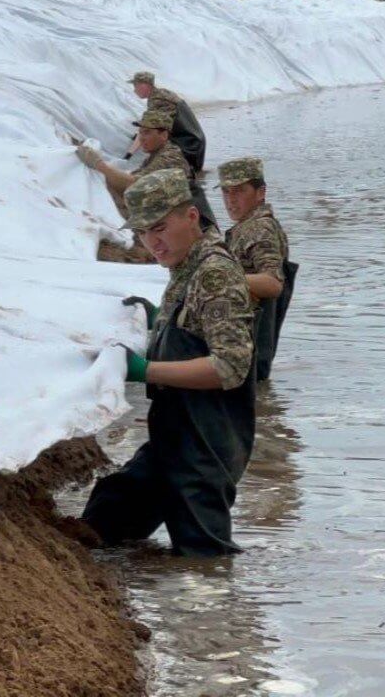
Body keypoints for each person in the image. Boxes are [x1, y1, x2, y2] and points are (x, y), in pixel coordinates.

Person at [83, 169, 256, 557]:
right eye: (143, 232)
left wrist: (145, 370)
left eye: (160, 227)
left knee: (204, 563)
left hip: (205, 445)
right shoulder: (185, 266)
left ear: (191, 216)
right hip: (175, 436)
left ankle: (218, 618)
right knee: (107, 516)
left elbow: (230, 367)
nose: (152, 242)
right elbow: (195, 327)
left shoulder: (214, 274)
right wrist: (157, 319)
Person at [217, 157, 296, 382]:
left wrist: (216, 277)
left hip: (247, 346)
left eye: (239, 191)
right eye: (226, 192)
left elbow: (273, 284)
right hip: (244, 343)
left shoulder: (259, 229)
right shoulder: (247, 227)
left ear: (260, 192)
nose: (230, 201)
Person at [77, 108, 219, 230]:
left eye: (147, 133)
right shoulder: (153, 156)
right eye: (140, 133)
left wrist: (97, 164)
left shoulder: (170, 158)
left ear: (164, 135)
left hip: (194, 231)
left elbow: (133, 185)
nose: (141, 138)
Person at [125, 72, 207, 174]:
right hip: (194, 140)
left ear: (144, 85)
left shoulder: (158, 101)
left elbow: (150, 128)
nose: (134, 90)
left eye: (135, 86)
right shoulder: (162, 93)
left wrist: (128, 155)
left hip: (188, 145)